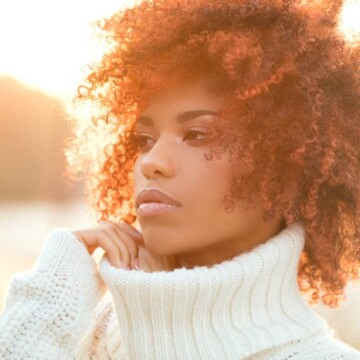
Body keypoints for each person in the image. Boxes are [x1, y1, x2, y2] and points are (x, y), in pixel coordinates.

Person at [0, 0, 360, 358]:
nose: (151, 162)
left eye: (197, 134)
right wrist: (48, 300)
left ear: (287, 165)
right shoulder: (78, 338)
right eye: (144, 140)